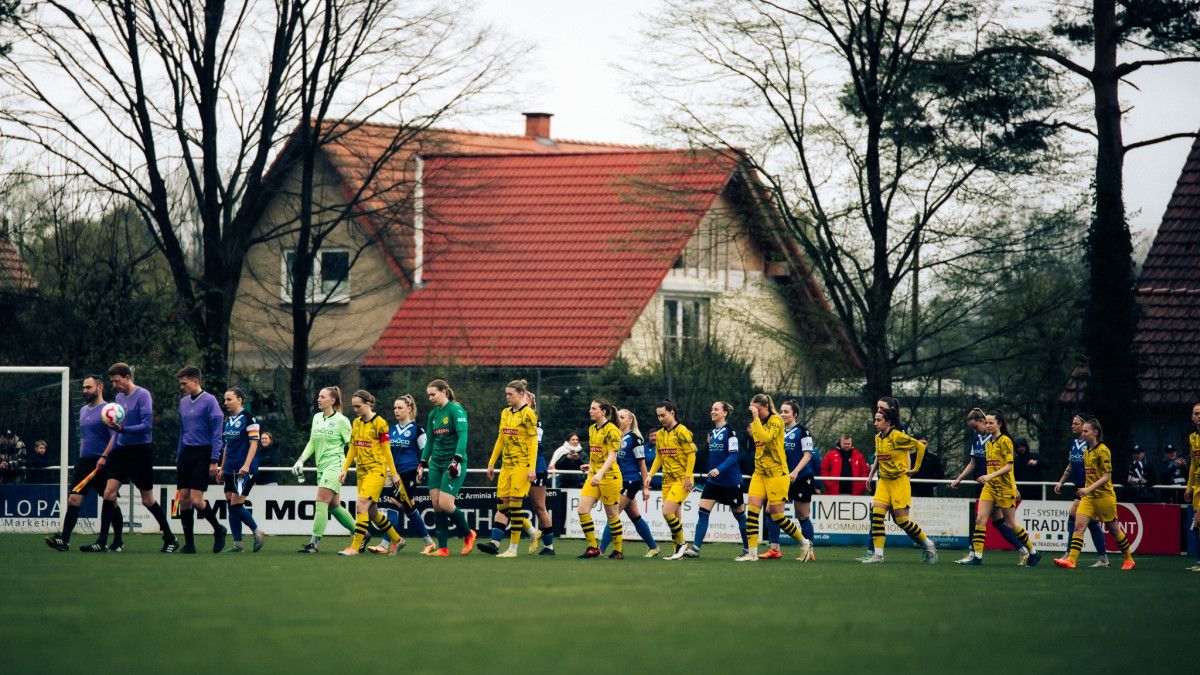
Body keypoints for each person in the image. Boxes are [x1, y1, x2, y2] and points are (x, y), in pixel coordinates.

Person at [95, 362, 177, 552]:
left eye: (117, 381)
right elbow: (117, 430)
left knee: (147, 500)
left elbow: (147, 426)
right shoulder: (118, 397)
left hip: (140, 451)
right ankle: (103, 541)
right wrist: (106, 454)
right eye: (112, 382)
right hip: (121, 451)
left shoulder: (143, 395)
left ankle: (170, 537)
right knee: (108, 493)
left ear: (127, 377)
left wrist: (123, 429)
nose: (114, 385)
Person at [45, 375, 125, 552]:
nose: (85, 391)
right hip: (84, 463)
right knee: (73, 499)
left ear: (100, 388)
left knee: (111, 502)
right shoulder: (82, 410)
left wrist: (104, 457)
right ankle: (64, 541)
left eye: (89, 387)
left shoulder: (108, 410)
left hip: (103, 464)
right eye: (83, 388)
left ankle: (118, 541)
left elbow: (116, 438)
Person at [735, 394, 813, 562]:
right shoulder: (757, 423)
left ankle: (805, 543)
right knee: (753, 511)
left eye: (755, 409)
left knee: (778, 516)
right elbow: (757, 445)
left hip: (777, 474)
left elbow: (766, 438)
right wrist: (755, 422)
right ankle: (752, 553)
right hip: (760, 473)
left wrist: (755, 419)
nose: (753, 412)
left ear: (764, 407)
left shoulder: (776, 421)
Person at [959, 411, 1040, 567]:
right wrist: (988, 479)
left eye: (991, 423)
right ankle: (977, 556)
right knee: (980, 519)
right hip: (990, 487)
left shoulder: (1006, 441)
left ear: (999, 424)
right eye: (987, 423)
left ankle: (1033, 552)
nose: (988, 425)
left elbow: (1009, 467)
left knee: (1010, 525)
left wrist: (990, 477)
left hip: (1004, 488)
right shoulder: (988, 442)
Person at [1054, 418, 1136, 570]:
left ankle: (1129, 559)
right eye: (1083, 431)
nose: (1083, 433)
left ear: (1095, 432)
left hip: (1104, 496)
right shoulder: (1086, 452)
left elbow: (1107, 477)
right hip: (1089, 497)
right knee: (1078, 526)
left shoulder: (1103, 450)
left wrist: (1087, 489)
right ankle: (1071, 560)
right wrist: (1083, 489)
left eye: (1086, 431)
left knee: (1113, 529)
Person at [862, 406, 938, 565]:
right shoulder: (878, 437)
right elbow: (879, 460)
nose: (875, 423)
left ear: (888, 422)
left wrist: (916, 468)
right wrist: (871, 475)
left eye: (878, 420)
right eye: (875, 419)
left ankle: (928, 544)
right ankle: (878, 555)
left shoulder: (898, 436)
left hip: (899, 482)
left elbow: (920, 446)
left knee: (902, 521)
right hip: (884, 482)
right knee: (877, 516)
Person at [672, 401, 745, 559]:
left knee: (739, 516)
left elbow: (734, 455)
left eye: (716, 409)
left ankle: (748, 550)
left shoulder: (731, 431)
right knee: (702, 512)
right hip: (714, 482)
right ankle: (696, 549)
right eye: (712, 409)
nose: (712, 411)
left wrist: (719, 469)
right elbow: (711, 455)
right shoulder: (712, 433)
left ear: (725, 413)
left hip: (731, 482)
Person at [291, 386, 359, 554]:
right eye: (318, 396)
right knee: (334, 506)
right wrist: (301, 460)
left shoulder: (342, 421)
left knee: (321, 501)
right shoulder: (316, 418)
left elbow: (353, 445)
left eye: (322, 397)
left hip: (335, 466)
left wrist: (358, 465)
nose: (318, 399)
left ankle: (314, 543)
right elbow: (312, 442)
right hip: (321, 467)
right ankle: (362, 534)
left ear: (332, 400)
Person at [337, 390, 405, 556]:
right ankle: (398, 540)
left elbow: (387, 450)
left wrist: (394, 473)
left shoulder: (380, 423)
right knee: (373, 512)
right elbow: (353, 446)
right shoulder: (356, 422)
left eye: (358, 406)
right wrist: (344, 469)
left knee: (361, 504)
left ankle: (354, 547)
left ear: (368, 404)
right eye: (353, 406)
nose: (355, 409)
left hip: (377, 471)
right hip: (362, 471)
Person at [366, 394, 435, 555]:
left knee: (392, 503)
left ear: (409, 409)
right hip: (394, 474)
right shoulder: (391, 429)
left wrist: (422, 469)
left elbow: (426, 452)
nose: (396, 411)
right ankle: (429, 542)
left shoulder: (418, 430)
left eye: (400, 408)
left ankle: (384, 544)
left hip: (409, 473)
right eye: (395, 408)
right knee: (410, 508)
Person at [419, 378, 478, 556]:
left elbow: (463, 437)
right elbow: (430, 441)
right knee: (436, 505)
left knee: (446, 503)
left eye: (433, 394)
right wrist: (422, 463)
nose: (430, 398)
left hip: (453, 463)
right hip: (435, 463)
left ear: (444, 392)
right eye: (428, 395)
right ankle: (443, 548)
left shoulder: (456, 410)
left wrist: (457, 460)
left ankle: (469, 534)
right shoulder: (433, 414)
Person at [173, 366, 228, 554]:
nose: (182, 387)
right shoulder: (183, 403)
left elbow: (216, 432)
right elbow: (182, 431)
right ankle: (189, 544)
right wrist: (179, 455)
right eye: (180, 384)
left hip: (203, 454)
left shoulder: (210, 401)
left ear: (195, 381)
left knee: (197, 500)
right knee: (184, 499)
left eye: (184, 383)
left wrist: (214, 459)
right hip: (186, 454)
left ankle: (218, 529)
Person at [480, 379, 539, 557]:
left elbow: (533, 443)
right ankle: (532, 532)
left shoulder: (528, 414)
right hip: (506, 466)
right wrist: (491, 463)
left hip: (521, 465)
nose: (507, 397)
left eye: (510, 394)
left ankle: (512, 549)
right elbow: (500, 439)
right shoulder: (505, 413)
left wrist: (531, 467)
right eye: (506, 394)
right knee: (502, 506)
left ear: (521, 394)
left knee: (514, 506)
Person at [600, 408, 660, 557]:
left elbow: (642, 464)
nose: (618, 419)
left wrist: (646, 488)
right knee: (635, 517)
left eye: (622, 417)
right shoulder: (616, 436)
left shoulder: (635, 438)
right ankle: (653, 547)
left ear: (630, 421)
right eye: (618, 416)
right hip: (618, 480)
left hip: (630, 481)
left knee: (613, 515)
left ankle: (599, 550)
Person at [762, 400, 817, 560]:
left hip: (801, 477)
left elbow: (808, 454)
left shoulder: (803, 432)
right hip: (780, 478)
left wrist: (795, 472)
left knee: (802, 515)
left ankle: (809, 551)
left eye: (786, 411)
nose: (783, 414)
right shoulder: (777, 431)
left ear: (795, 414)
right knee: (770, 510)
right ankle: (774, 549)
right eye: (781, 411)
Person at [1053, 413, 1109, 567]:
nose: (1073, 426)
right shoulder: (1074, 443)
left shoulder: (1091, 444)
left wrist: (1089, 487)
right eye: (1073, 423)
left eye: (1076, 423)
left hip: (1088, 488)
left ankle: (1069, 554)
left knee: (1073, 516)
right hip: (1078, 486)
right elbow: (1071, 465)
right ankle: (1103, 558)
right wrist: (1061, 481)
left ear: (1084, 426)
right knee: (1092, 523)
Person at [643, 400, 697, 558]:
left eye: (663, 415)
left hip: (682, 480)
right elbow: (659, 457)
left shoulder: (682, 431)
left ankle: (682, 544)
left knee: (667, 511)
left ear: (672, 413)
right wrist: (650, 475)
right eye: (658, 416)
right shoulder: (660, 434)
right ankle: (678, 552)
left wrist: (688, 477)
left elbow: (691, 455)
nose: (660, 418)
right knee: (675, 516)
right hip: (667, 480)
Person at [576, 399, 625, 558]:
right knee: (582, 510)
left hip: (609, 477)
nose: (590, 411)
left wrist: (599, 473)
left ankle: (618, 550)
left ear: (603, 411)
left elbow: (612, 456)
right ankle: (592, 548)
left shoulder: (612, 430)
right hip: (594, 475)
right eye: (590, 408)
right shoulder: (592, 429)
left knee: (612, 515)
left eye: (594, 408)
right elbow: (595, 453)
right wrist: (591, 468)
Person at [219, 387, 264, 553]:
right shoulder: (228, 420)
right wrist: (222, 467)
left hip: (245, 469)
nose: (226, 403)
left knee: (236, 503)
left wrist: (246, 465)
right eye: (225, 399)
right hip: (230, 468)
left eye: (229, 399)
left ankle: (257, 531)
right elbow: (227, 446)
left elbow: (254, 443)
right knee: (231, 504)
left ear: (240, 399)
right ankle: (238, 544)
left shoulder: (250, 418)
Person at [524, 393, 555, 555]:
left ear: (530, 402)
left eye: (524, 398)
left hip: (536, 467)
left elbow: (534, 443)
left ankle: (549, 547)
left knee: (539, 507)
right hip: (519, 467)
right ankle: (531, 532)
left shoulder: (534, 419)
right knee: (507, 504)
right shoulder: (512, 416)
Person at [1185, 403, 1200, 572]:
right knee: (1197, 526)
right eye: (1196, 413)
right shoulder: (1193, 438)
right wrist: (1189, 487)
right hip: (1197, 486)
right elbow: (1193, 465)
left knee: (1198, 523)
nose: (1199, 416)